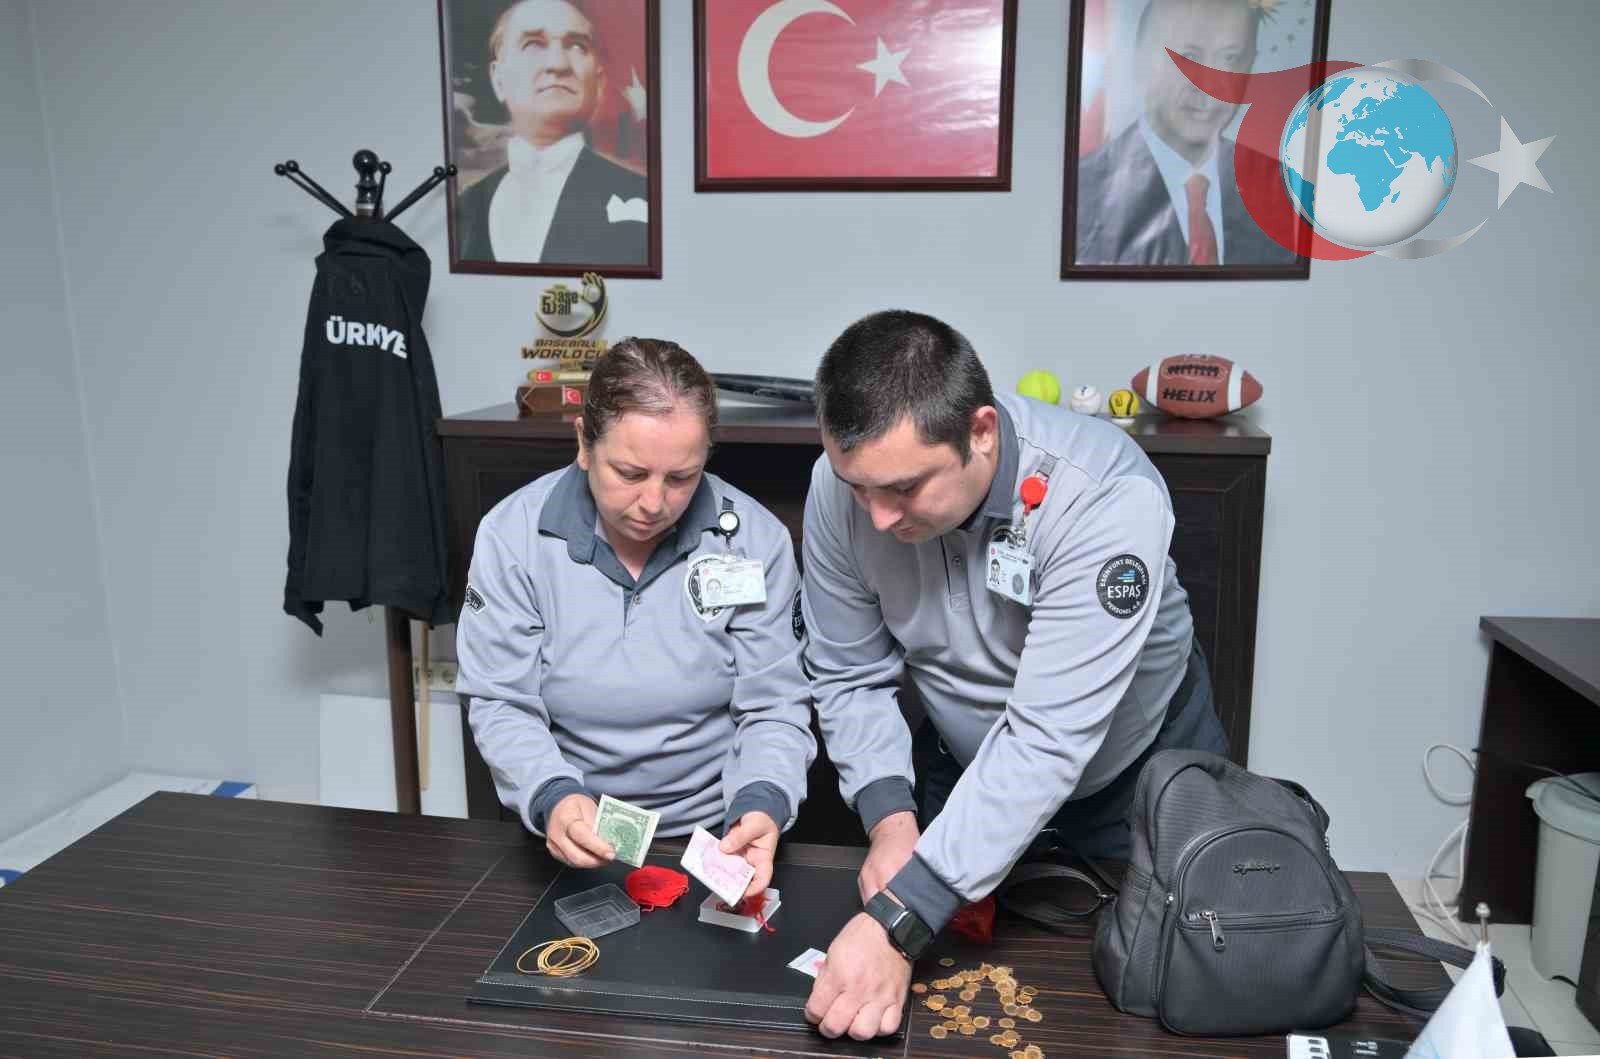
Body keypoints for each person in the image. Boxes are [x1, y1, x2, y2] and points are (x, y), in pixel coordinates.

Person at [799, 311, 1228, 1040]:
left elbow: (1047, 735)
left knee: (1148, 1008)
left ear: (982, 432)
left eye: (903, 489)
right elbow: (849, 671)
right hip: (963, 767)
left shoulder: (1104, 495)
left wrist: (904, 913)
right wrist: (891, 820)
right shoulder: (843, 488)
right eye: (857, 487)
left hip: (1132, 771)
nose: (876, 518)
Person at [456, 338, 813, 897]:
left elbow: (775, 705)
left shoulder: (755, 540)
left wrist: (763, 799)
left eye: (681, 478)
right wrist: (552, 795)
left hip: (719, 832)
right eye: (630, 473)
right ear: (584, 443)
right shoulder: (513, 536)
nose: (653, 503)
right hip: (570, 824)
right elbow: (500, 700)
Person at [1075, 0, 1301, 267]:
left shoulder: (1285, 193)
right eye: (1189, 57)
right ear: (1142, 58)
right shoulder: (1081, 193)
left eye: (1229, 59)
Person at [455, 0, 649, 266]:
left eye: (577, 46)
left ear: (599, 83)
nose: (558, 64)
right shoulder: (466, 205)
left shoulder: (642, 196)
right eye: (533, 44)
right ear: (498, 80)